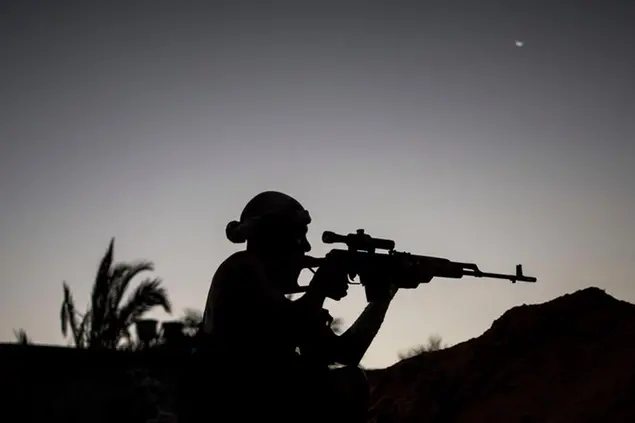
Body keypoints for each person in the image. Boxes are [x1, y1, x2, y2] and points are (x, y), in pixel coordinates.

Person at [196, 191, 402, 422]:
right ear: (273, 235)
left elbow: (345, 354)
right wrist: (320, 287)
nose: (306, 246)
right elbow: (283, 333)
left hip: (254, 399)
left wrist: (381, 301)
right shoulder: (241, 268)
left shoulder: (276, 297)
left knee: (350, 380)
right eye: (299, 236)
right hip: (233, 403)